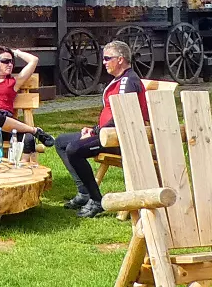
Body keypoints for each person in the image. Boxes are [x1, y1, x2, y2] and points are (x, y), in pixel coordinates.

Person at [53, 40, 147, 219]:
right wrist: (95, 130)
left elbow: (122, 117)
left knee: (74, 149)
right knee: (61, 142)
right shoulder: (121, 80)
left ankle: (97, 201)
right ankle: (84, 193)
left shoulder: (127, 82)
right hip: (108, 134)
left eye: (107, 58)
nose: (103, 62)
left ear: (120, 59)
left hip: (122, 138)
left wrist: (95, 132)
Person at [0, 46, 55, 150]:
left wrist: (17, 52)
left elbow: (34, 60)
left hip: (7, 127)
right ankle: (35, 131)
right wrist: (1, 47)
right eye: (5, 61)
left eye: (11, 62)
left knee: (28, 139)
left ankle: (25, 166)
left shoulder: (14, 82)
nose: (10, 64)